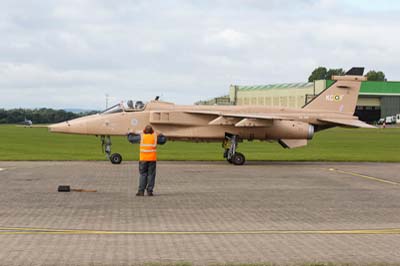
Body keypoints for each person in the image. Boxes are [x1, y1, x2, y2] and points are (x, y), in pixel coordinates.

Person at [136, 125, 158, 196]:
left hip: (143, 159)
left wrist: (130, 132)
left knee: (143, 175)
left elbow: (134, 137)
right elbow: (160, 138)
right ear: (152, 131)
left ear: (144, 130)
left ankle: (141, 191)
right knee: (151, 175)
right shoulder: (154, 136)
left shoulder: (142, 136)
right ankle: (150, 191)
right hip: (152, 159)